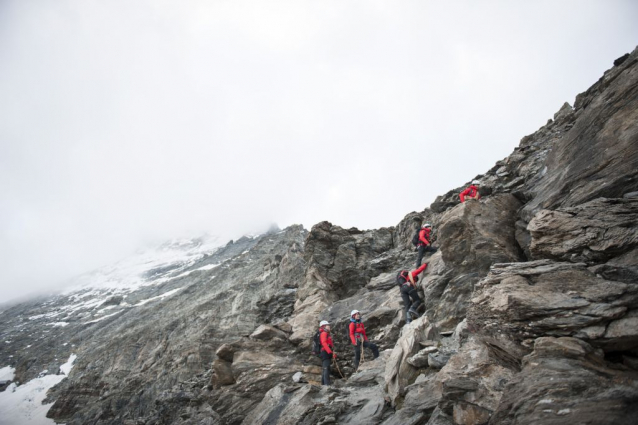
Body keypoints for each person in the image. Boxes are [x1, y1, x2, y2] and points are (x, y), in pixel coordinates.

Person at [319, 320, 336, 385]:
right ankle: (326, 384)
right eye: (327, 325)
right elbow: (324, 343)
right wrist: (330, 352)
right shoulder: (324, 333)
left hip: (326, 352)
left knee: (326, 368)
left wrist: (332, 352)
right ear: (324, 327)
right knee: (326, 368)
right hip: (325, 352)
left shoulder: (326, 334)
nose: (329, 327)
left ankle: (324, 384)